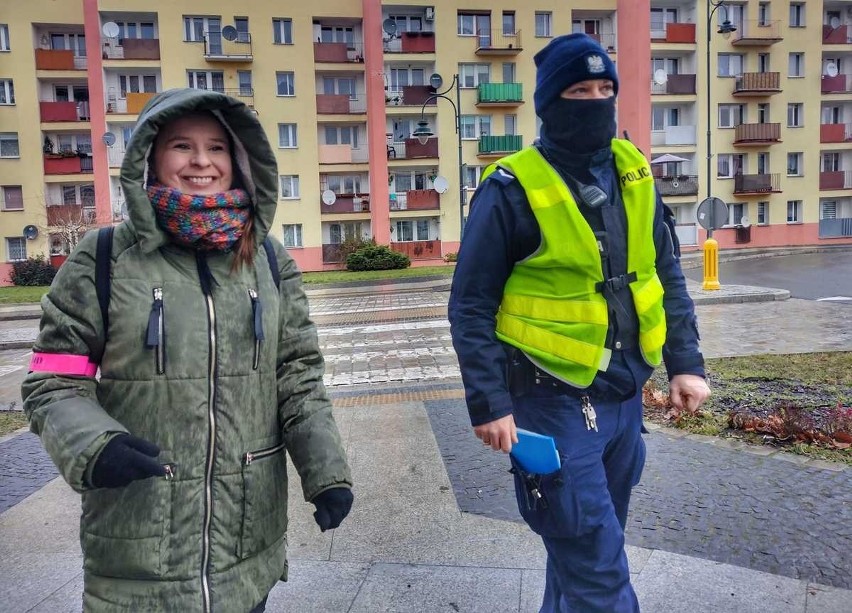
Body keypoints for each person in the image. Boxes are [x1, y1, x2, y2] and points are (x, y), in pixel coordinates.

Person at [22, 88, 353, 612]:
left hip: (246, 541)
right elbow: (53, 379)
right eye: (182, 146)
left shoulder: (268, 261)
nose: (202, 161)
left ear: (240, 159)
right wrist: (94, 445)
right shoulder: (103, 258)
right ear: (151, 156)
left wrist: (326, 472)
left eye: (217, 147)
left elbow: (298, 375)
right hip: (139, 543)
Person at [448, 34, 710, 612]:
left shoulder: (633, 172)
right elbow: (470, 304)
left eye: (605, 89)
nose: (595, 101)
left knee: (584, 550)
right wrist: (488, 402)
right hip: (550, 404)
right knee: (598, 573)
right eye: (578, 90)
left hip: (622, 399)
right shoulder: (510, 189)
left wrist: (685, 364)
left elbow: (663, 273)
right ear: (548, 102)